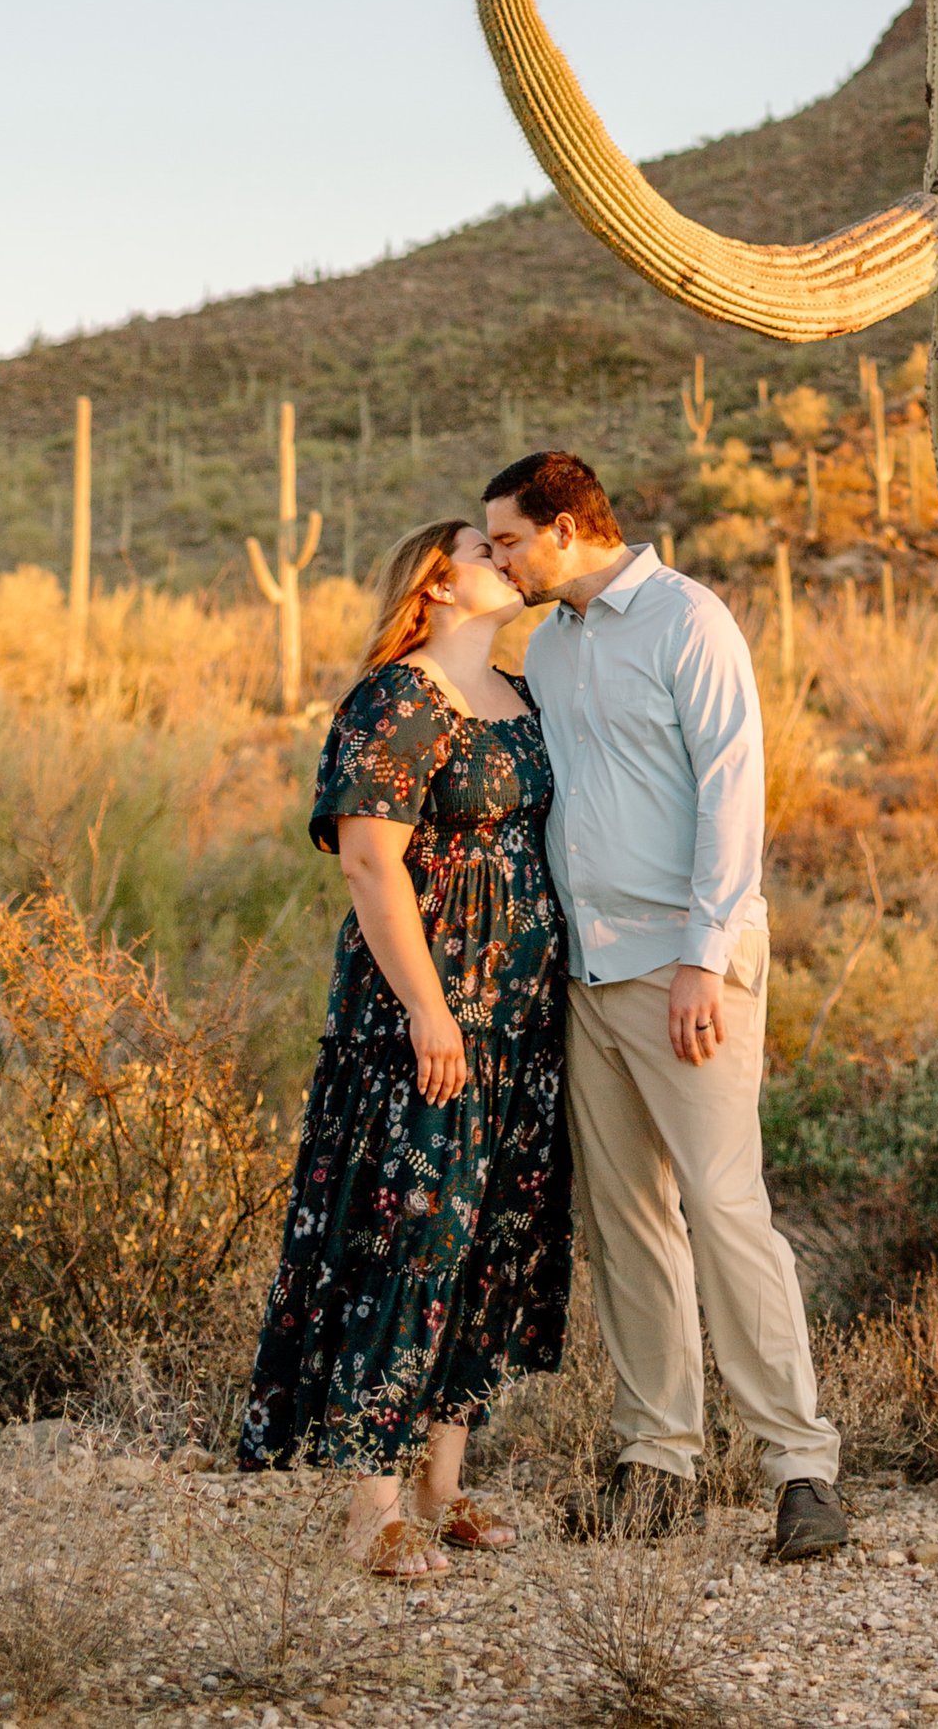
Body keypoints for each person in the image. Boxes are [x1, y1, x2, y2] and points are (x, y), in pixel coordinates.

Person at [481, 450, 848, 1564]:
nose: (500, 562)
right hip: (585, 971)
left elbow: (734, 790)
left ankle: (800, 1467)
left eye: (508, 542)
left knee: (724, 1205)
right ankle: (657, 1460)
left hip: (685, 965)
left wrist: (703, 956)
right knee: (627, 1223)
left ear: (566, 527)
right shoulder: (546, 646)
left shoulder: (690, 621)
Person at [238, 519, 570, 1576]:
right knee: (407, 1243)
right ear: (435, 585)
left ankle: (441, 1489)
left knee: (482, 1248)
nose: (505, 561)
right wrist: (429, 1007)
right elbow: (372, 867)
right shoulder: (398, 698)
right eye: (485, 549)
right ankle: (368, 1511)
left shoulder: (519, 696)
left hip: (521, 1021)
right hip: (424, 1019)